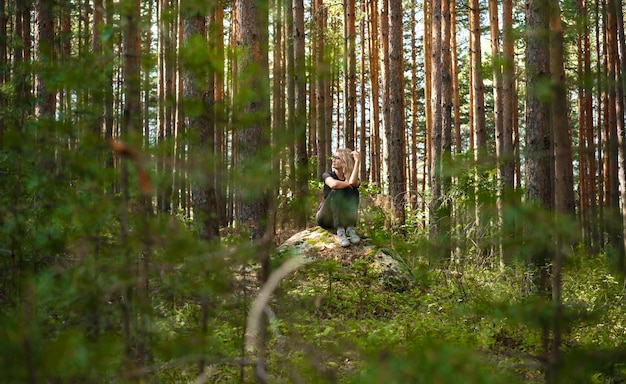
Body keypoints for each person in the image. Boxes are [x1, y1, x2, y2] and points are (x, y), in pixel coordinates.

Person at [315, 148, 361, 247]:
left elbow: (354, 183)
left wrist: (357, 161)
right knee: (336, 191)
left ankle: (350, 228)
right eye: (333, 157)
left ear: (344, 161)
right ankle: (340, 231)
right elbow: (334, 184)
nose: (333, 160)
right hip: (325, 217)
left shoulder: (350, 177)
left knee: (353, 190)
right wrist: (349, 183)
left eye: (337, 158)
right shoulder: (327, 175)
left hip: (342, 217)